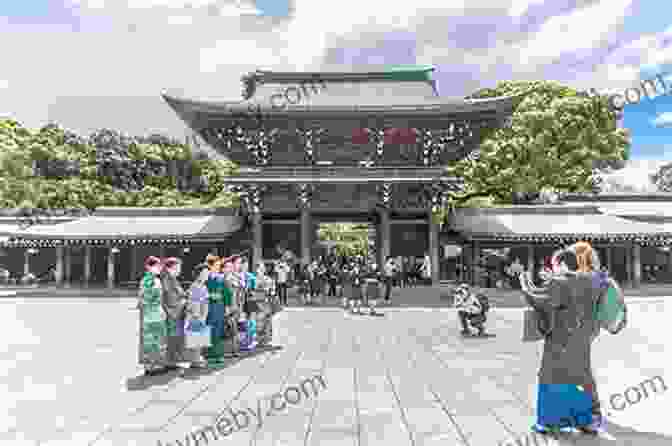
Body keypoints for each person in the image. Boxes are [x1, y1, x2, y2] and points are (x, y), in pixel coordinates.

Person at [519, 242, 611, 436]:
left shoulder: (559, 282)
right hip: (582, 338)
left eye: (556, 264)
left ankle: (549, 422)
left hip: (560, 339)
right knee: (581, 376)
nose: (554, 268)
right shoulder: (592, 281)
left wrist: (525, 285)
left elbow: (540, 301)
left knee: (552, 377)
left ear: (561, 264)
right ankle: (585, 421)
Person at [138, 256, 167, 376]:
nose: (159, 269)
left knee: (157, 338)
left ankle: (156, 364)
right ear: (148, 267)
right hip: (151, 312)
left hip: (156, 311)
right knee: (150, 339)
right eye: (156, 266)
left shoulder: (155, 279)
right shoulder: (147, 280)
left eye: (159, 267)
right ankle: (150, 365)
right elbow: (145, 298)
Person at [204, 255, 235, 366]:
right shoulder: (205, 277)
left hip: (219, 306)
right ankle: (207, 354)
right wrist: (209, 295)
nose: (218, 267)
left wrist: (227, 307)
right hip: (208, 306)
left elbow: (227, 293)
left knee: (218, 330)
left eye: (218, 265)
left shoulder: (222, 278)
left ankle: (217, 354)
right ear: (209, 265)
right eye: (216, 265)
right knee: (208, 329)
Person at [159, 257, 188, 370]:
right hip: (172, 313)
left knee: (174, 338)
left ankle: (172, 360)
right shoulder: (167, 280)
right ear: (171, 268)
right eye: (178, 267)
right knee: (171, 338)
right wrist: (183, 302)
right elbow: (171, 298)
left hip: (174, 312)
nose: (180, 270)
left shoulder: (171, 279)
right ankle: (169, 361)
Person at [185, 263, 209, 368]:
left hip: (202, 314)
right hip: (197, 315)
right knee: (196, 339)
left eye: (207, 273)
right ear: (199, 274)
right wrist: (198, 316)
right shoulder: (195, 286)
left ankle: (197, 358)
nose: (206, 275)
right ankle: (195, 360)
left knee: (200, 339)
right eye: (204, 273)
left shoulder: (203, 286)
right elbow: (193, 303)